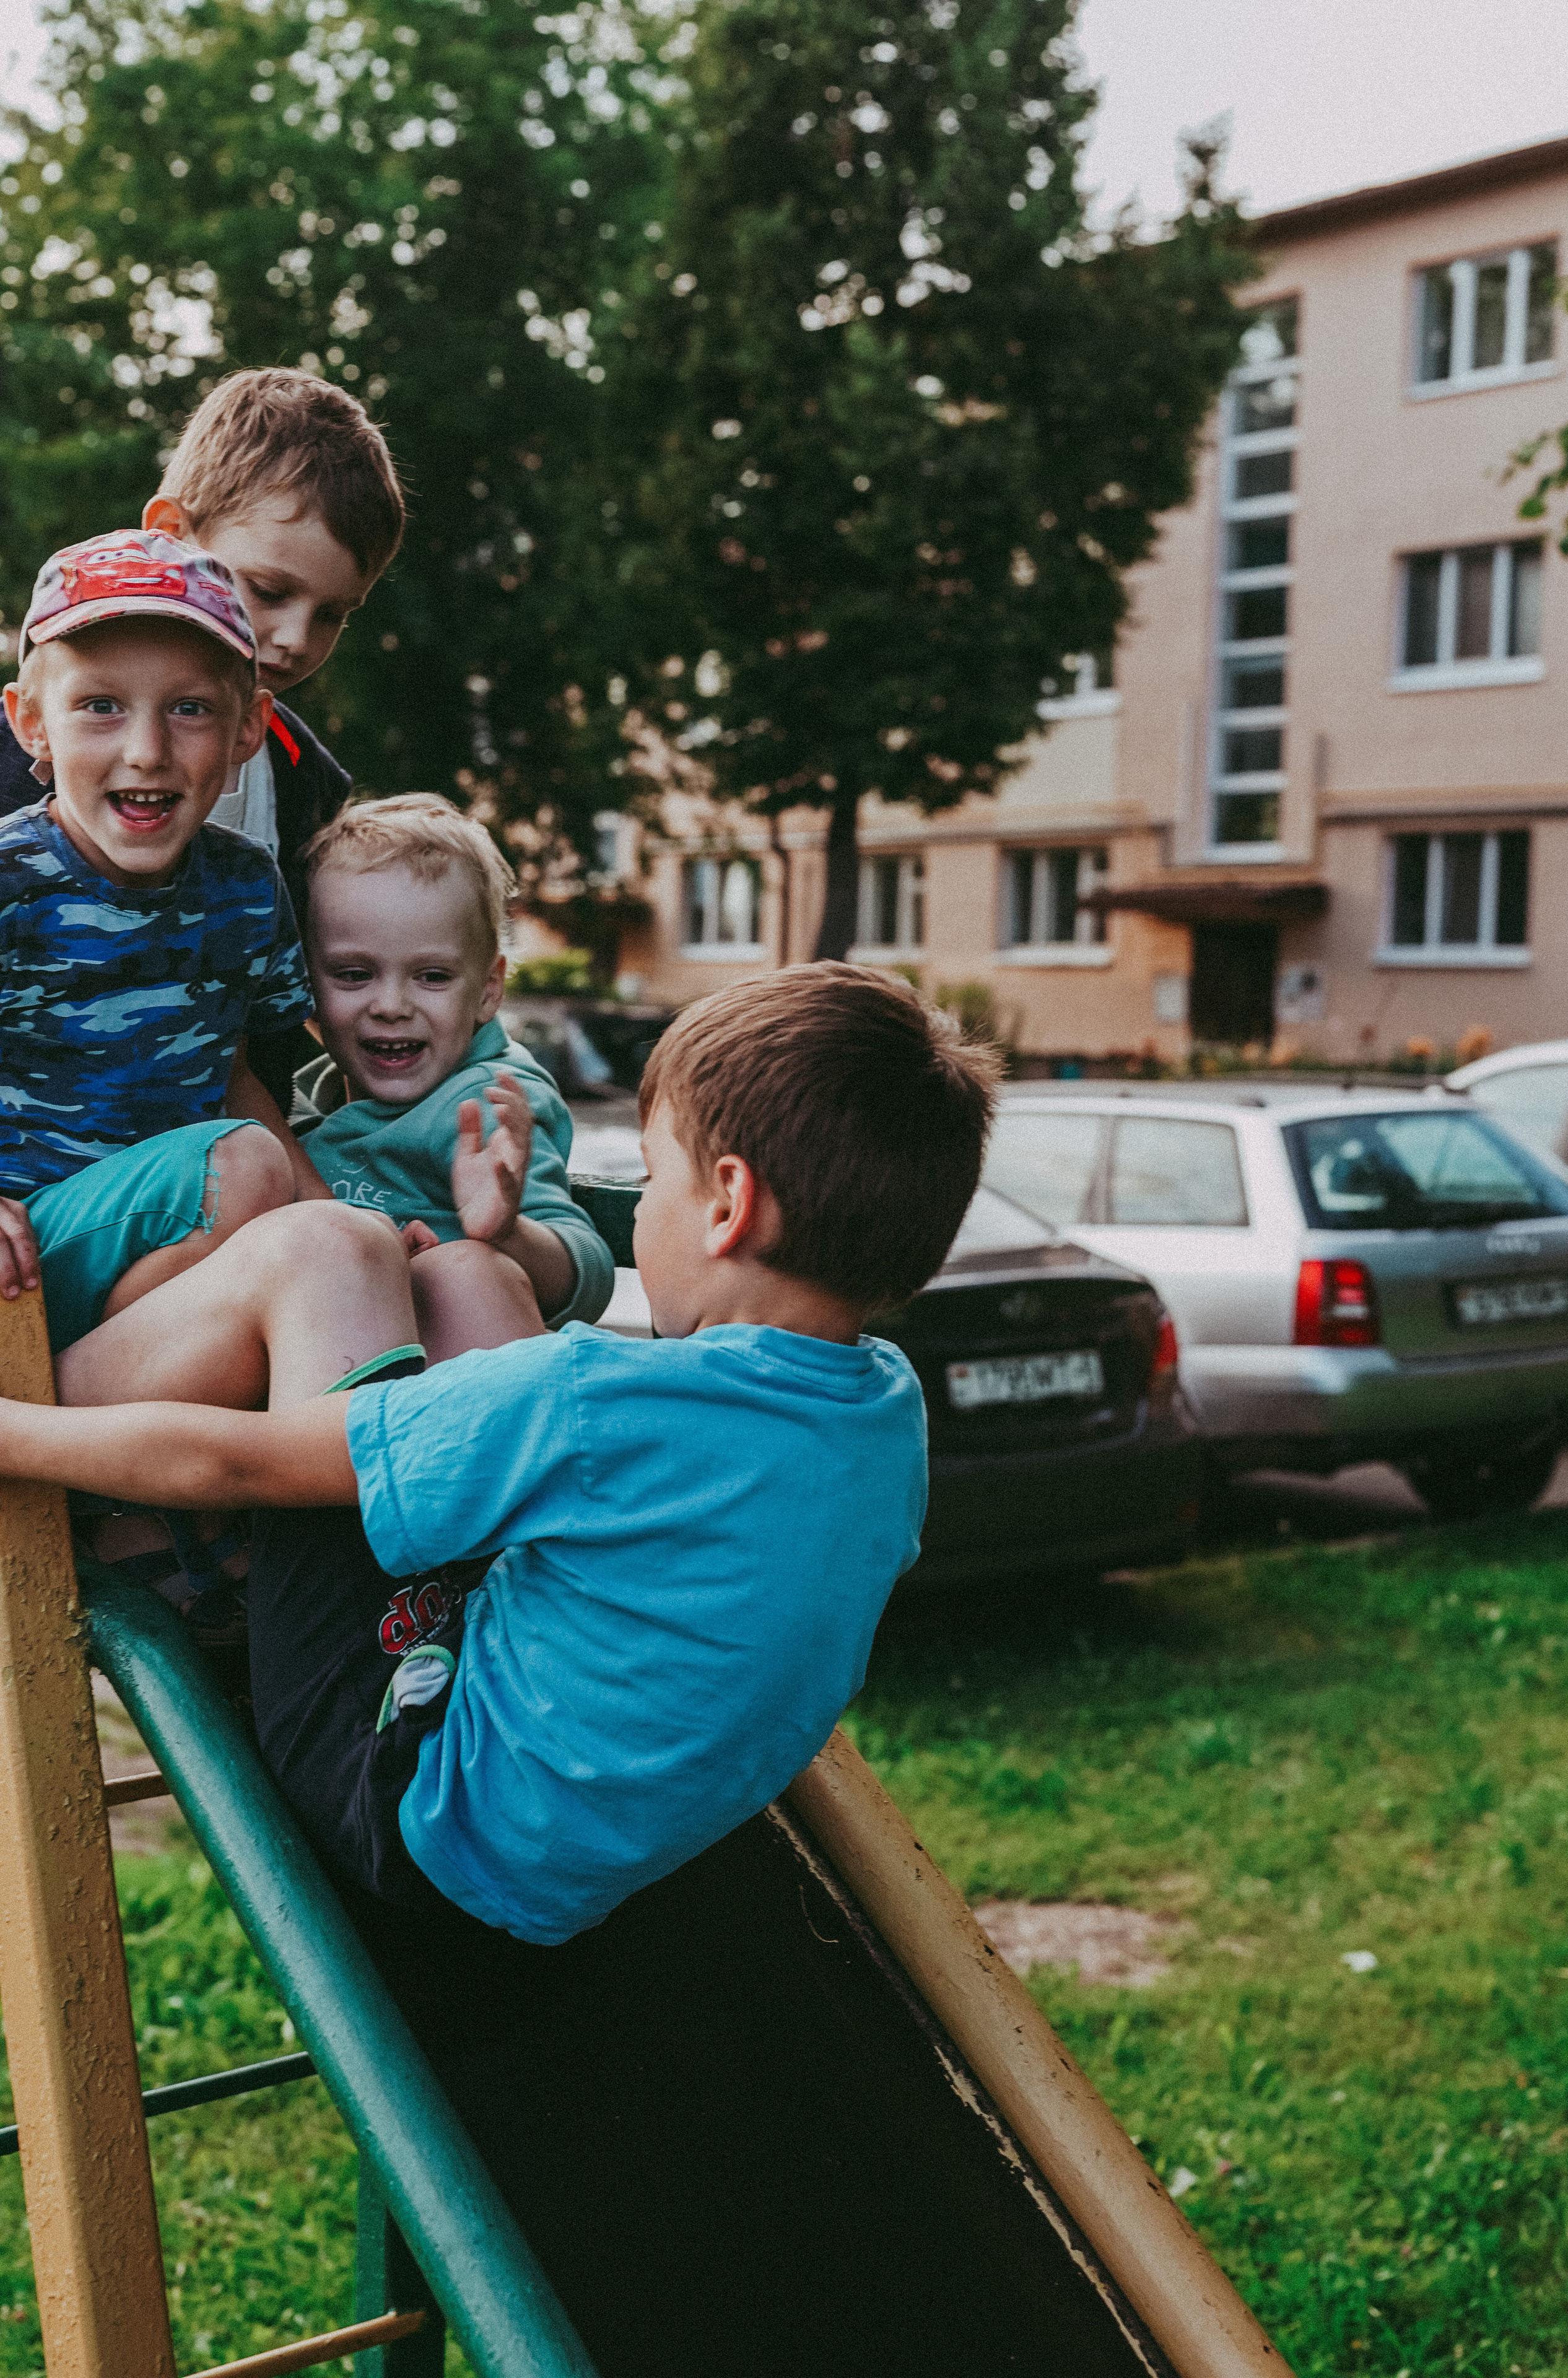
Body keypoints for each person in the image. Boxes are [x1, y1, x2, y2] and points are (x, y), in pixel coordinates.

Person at [0, 966, 1000, 1944]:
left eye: (655, 1180)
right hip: (556, 1847)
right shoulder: (885, 1407)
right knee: (465, 1275)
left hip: (402, 1797)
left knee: (327, 1251)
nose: (642, 1210)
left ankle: (41, 1420)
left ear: (729, 1203)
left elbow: (243, 1466)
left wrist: (15, 1436)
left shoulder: (606, 1405)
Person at [0, 369, 407, 1112]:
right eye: (271, 591)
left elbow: (308, 994)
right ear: (172, 536)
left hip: (223, 1155)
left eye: (332, 614)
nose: (292, 640)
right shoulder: (19, 761)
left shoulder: (306, 782)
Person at [0, 526, 323, 1359]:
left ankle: (87, 1405)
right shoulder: (10, 881)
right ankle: (53, 1405)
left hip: (161, 1248)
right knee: (248, 1174)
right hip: (20, 1255)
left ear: (248, 729)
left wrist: (346, 1221)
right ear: (30, 721)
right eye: (101, 705)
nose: (147, 751)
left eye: (190, 709)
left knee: (318, 1245)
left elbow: (236, 1077)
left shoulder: (247, 890)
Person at [292, 793, 614, 1352]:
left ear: (488, 990)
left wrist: (506, 1232)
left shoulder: (485, 1104)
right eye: (353, 974)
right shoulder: (302, 1105)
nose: (391, 1004)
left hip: (458, 1392)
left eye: (433, 976)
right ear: (306, 987)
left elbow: (585, 1274)